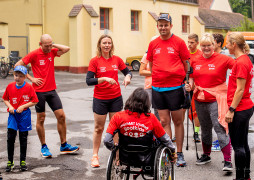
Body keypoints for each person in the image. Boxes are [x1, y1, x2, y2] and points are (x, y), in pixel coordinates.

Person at [15, 34, 79, 158]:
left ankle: (64, 145)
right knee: (41, 118)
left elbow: (66, 49)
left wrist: (52, 45)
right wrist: (31, 78)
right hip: (38, 91)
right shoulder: (34, 54)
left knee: (61, 116)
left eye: (50, 45)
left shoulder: (52, 52)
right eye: (46, 46)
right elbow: (18, 65)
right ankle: (44, 147)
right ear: (40, 44)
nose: (49, 48)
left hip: (51, 90)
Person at [185, 33, 234, 171]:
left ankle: (227, 161)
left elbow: (239, 68)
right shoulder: (195, 60)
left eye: (209, 45)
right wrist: (189, 85)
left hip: (216, 99)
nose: (206, 48)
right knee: (205, 129)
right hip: (200, 100)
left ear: (214, 45)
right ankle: (206, 155)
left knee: (219, 127)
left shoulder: (223, 59)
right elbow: (192, 78)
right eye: (203, 46)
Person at [146, 13, 190, 167]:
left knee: (178, 121)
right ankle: (169, 153)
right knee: (164, 121)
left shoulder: (179, 42)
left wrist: (186, 80)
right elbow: (151, 64)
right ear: (157, 26)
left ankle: (180, 153)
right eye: (160, 25)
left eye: (166, 25)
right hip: (158, 88)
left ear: (171, 26)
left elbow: (187, 64)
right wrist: (157, 76)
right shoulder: (153, 43)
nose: (163, 27)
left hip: (176, 88)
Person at [86, 34, 132, 168]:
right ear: (99, 45)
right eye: (104, 43)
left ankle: (118, 157)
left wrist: (128, 77)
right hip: (100, 99)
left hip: (116, 98)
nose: (107, 45)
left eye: (109, 43)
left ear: (112, 45)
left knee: (116, 128)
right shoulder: (95, 61)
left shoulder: (116, 59)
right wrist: (104, 79)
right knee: (98, 128)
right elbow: (89, 81)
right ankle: (95, 156)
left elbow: (128, 72)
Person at [104, 87, 175, 154]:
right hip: (146, 154)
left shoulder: (118, 116)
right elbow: (164, 138)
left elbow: (107, 140)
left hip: (125, 153)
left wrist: (114, 148)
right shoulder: (151, 118)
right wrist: (172, 150)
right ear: (147, 103)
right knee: (157, 137)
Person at [225, 32, 254, 180]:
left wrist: (231, 110)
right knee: (243, 144)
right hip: (245, 107)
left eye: (228, 43)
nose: (226, 46)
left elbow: (240, 89)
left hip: (240, 108)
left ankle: (241, 178)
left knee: (238, 147)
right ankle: (246, 176)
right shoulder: (244, 59)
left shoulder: (241, 62)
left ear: (234, 44)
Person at [2, 66, 38, 172]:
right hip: (13, 115)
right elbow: (5, 98)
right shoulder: (10, 86)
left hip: (24, 115)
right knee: (10, 138)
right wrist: (11, 107)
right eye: (16, 75)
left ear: (25, 77)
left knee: (23, 138)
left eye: (21, 76)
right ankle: (10, 161)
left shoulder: (29, 87)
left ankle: (22, 161)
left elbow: (35, 101)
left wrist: (23, 106)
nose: (18, 78)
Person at [139, 36, 160, 121]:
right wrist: (154, 73)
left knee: (158, 111)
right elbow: (141, 71)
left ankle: (158, 130)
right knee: (145, 108)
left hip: (160, 86)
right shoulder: (146, 55)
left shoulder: (161, 55)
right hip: (149, 87)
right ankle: (145, 127)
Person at [211, 33, 226, 152]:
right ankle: (218, 140)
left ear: (219, 43)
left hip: (222, 92)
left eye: (212, 42)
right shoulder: (211, 56)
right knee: (215, 119)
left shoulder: (224, 56)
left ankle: (222, 141)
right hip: (212, 92)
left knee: (220, 119)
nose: (210, 44)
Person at [187, 33, 202, 143]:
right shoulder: (185, 54)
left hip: (197, 87)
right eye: (188, 42)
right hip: (185, 85)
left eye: (192, 42)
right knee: (184, 111)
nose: (189, 44)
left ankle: (196, 132)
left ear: (197, 43)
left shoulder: (200, 55)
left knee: (195, 112)